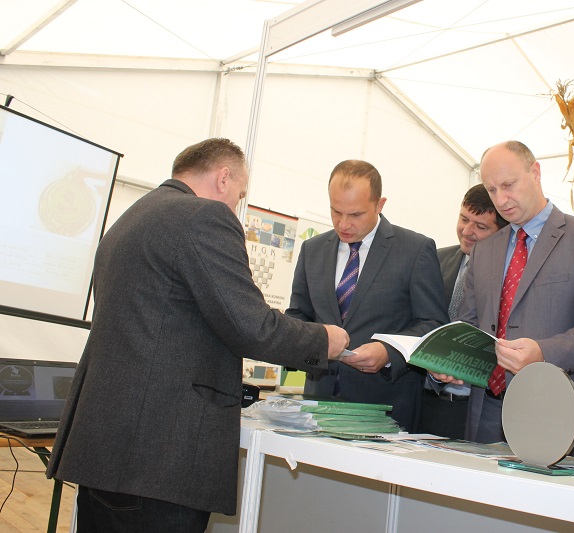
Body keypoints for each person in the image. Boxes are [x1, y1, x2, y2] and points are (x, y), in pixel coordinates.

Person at [45, 138, 349, 532]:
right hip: (158, 457)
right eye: (240, 195)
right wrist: (324, 340)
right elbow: (250, 325)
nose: (236, 206)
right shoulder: (204, 217)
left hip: (105, 450)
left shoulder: (131, 217)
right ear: (223, 178)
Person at [442, 141, 574, 457]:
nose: (501, 199)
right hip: (486, 413)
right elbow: (468, 327)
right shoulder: (484, 250)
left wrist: (544, 352)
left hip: (558, 412)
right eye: (492, 189)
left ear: (535, 172)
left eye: (508, 185)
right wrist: (449, 363)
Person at [285, 160, 448, 432]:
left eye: (356, 214)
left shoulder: (415, 250)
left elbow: (433, 325)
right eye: (336, 211)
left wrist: (389, 352)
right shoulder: (312, 250)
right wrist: (313, 344)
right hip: (318, 405)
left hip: (386, 412)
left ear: (379, 204)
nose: (343, 223)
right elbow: (298, 316)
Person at [421, 184, 508, 439]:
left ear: (502, 233)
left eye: (481, 226)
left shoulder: (510, 276)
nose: (467, 231)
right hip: (429, 401)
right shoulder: (435, 259)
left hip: (479, 408)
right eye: (463, 219)